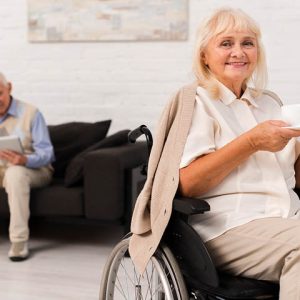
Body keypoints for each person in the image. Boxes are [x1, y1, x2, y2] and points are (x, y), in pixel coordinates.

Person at [129, 8, 300, 299]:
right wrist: (252, 142)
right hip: (226, 226)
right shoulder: (196, 103)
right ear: (204, 56)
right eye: (226, 43)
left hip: (286, 217)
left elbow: (293, 177)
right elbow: (187, 185)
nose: (239, 52)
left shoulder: (271, 104)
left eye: (247, 43)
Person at [0, 72, 54, 261]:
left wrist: (24, 160)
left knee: (15, 174)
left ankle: (18, 241)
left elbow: (47, 153)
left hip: (32, 169)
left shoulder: (31, 113)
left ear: (9, 88)